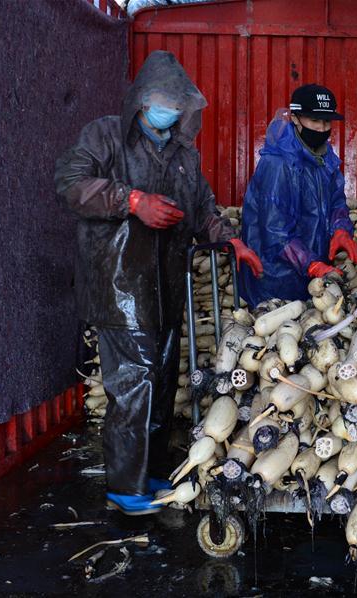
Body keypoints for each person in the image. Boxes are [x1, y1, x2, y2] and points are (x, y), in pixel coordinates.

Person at [54, 51, 262, 515]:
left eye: (177, 104)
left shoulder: (183, 155)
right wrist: (131, 200)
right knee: (134, 384)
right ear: (142, 101)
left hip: (166, 287)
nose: (170, 111)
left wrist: (231, 241)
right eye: (162, 101)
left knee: (163, 382)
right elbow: (70, 182)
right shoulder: (106, 135)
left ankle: (147, 470)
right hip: (118, 283)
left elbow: (203, 210)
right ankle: (125, 488)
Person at [238, 84, 357, 307]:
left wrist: (340, 228)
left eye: (326, 122)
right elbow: (274, 231)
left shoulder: (325, 157)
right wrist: (311, 264)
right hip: (276, 278)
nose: (322, 128)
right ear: (295, 118)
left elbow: (336, 201)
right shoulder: (277, 163)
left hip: (314, 275)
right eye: (315, 121)